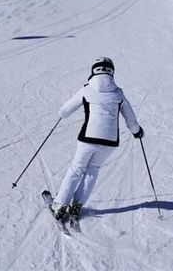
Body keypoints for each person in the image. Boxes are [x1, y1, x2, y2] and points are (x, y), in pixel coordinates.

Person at [51, 57, 143, 222]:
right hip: (109, 142)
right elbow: (131, 120)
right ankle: (77, 205)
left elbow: (65, 110)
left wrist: (62, 114)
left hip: (88, 139)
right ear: (112, 73)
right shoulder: (118, 93)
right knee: (92, 170)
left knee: (76, 170)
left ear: (94, 71)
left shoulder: (87, 90)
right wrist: (137, 132)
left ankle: (59, 204)